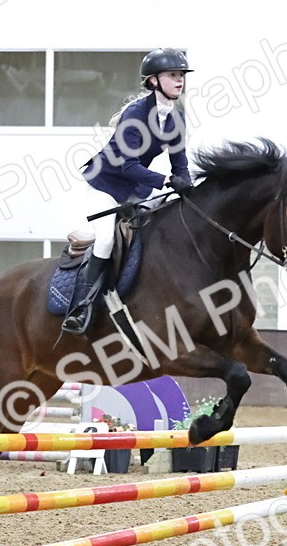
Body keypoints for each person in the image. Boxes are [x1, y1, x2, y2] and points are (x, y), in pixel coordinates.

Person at [61, 48, 195, 335]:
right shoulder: (135, 115)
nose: (180, 80)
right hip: (106, 184)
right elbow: (126, 165)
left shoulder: (177, 119)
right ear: (154, 81)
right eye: (173, 75)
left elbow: (180, 162)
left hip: (136, 189)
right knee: (107, 239)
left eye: (182, 75)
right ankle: (83, 306)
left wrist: (188, 186)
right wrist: (167, 180)